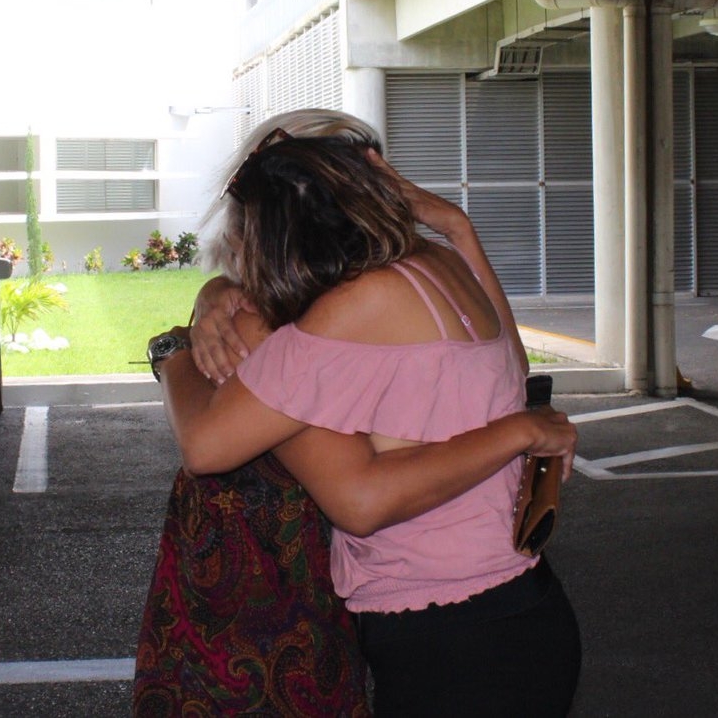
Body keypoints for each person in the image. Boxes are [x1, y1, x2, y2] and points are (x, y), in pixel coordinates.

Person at [145, 110, 581, 717]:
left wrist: (172, 352)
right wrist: (455, 224)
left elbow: (210, 447)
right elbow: (511, 363)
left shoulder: (342, 312)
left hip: (444, 633)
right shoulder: (436, 265)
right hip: (521, 607)